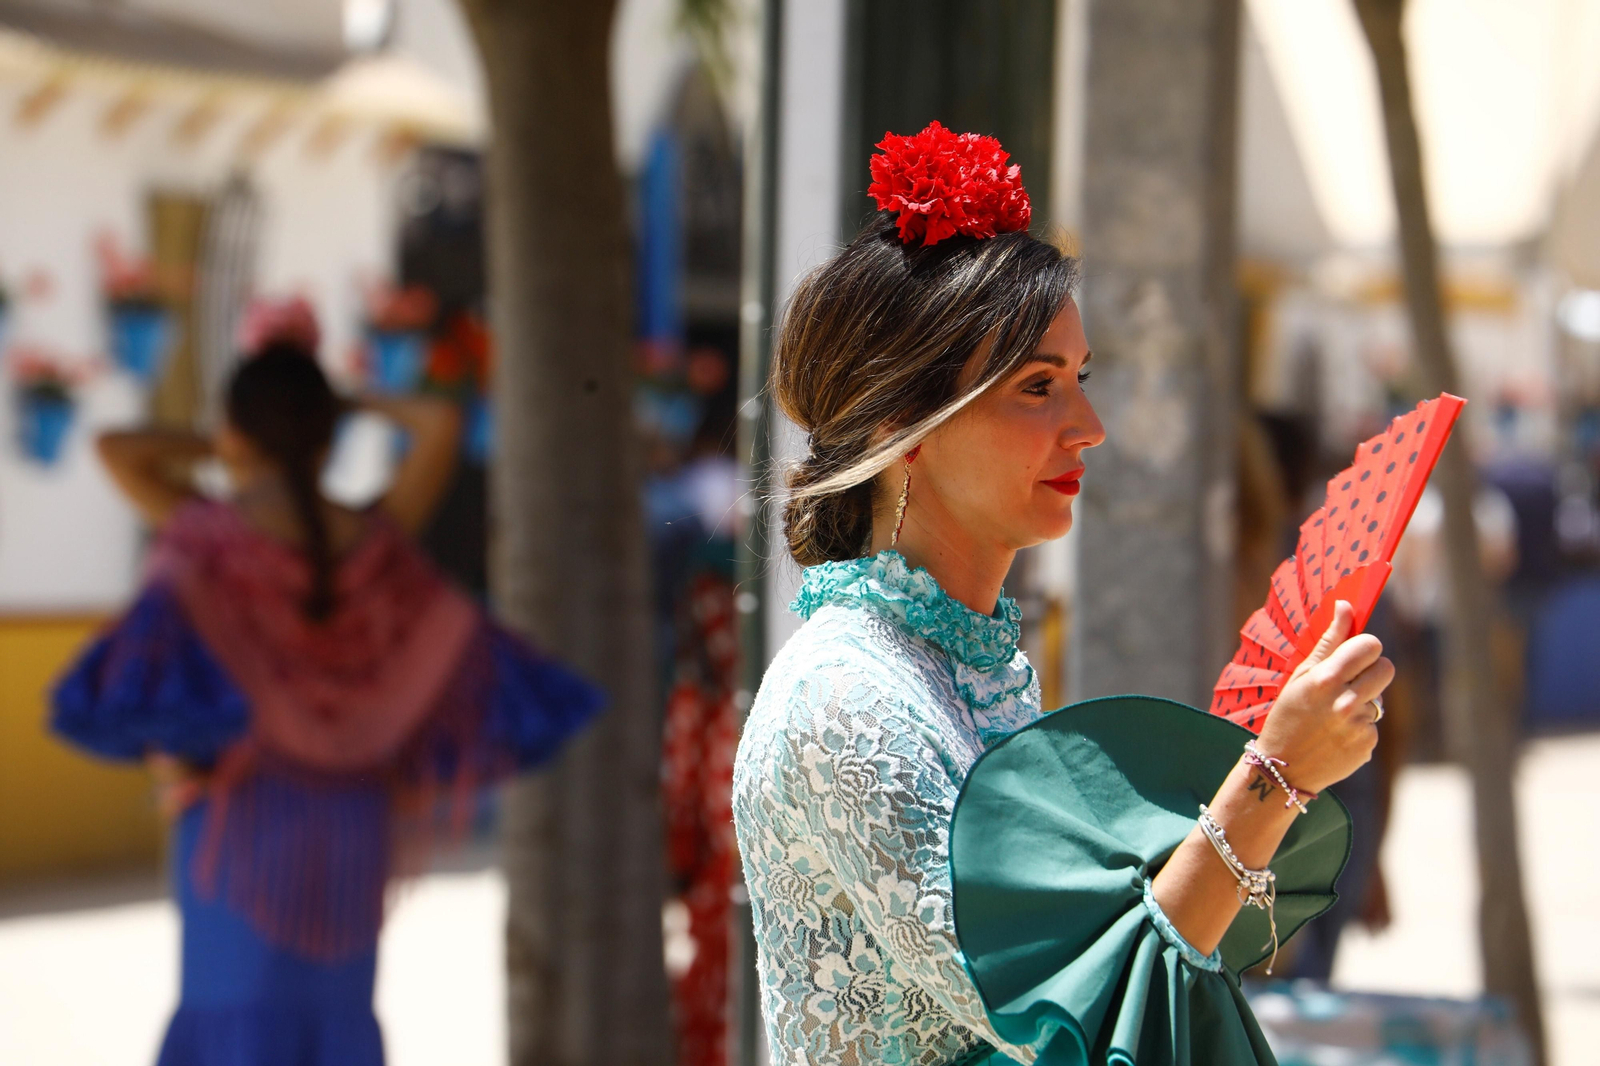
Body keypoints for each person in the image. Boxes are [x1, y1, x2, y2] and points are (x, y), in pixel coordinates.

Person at [731, 121, 1391, 1064]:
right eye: (1038, 388)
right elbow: (1066, 1012)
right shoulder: (845, 700)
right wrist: (1273, 778)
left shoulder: (962, 669)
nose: (1089, 426)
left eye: (1080, 378)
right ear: (904, 424)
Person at [52, 329, 602, 1066]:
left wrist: (235, 445)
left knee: (231, 1019)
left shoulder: (208, 537)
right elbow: (439, 423)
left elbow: (118, 447)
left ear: (237, 430)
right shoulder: (377, 541)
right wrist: (333, 409)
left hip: (237, 818)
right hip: (353, 823)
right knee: (333, 1019)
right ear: (327, 437)